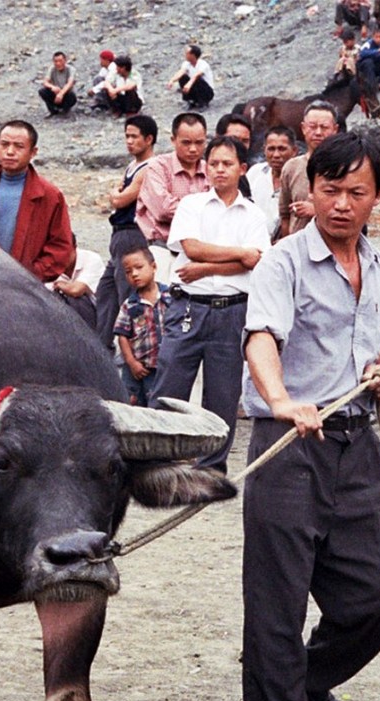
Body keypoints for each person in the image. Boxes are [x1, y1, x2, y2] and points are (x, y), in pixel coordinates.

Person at [241, 132, 380, 701]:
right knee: (276, 606)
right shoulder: (284, 262)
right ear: (307, 194)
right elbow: (261, 340)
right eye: (328, 189)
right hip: (291, 449)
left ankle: (305, 682)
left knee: (376, 599)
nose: (339, 203)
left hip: (358, 445)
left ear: (378, 198)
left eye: (355, 192)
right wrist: (283, 402)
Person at [146, 135, 270, 472]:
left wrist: (206, 267)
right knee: (170, 382)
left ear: (242, 168)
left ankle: (211, 468)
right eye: (213, 163)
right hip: (189, 306)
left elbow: (256, 260)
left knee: (223, 393)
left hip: (232, 309)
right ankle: (156, 460)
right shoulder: (192, 205)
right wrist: (239, 254)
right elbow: (192, 246)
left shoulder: (254, 215)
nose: (219, 170)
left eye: (227, 164)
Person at [0, 119, 73, 283]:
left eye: (19, 146)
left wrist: (30, 275)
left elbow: (60, 247)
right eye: (4, 144)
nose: (10, 152)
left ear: (33, 152)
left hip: (24, 287)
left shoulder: (49, 195)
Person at [95, 114, 157, 349]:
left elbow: (121, 199)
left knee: (128, 293)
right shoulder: (133, 165)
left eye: (134, 136)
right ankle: (103, 350)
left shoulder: (148, 167)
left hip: (132, 233)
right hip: (119, 234)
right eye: (127, 136)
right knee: (106, 293)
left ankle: (136, 351)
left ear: (149, 139)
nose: (129, 141)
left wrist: (114, 193)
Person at [136, 111, 209, 284]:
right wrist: (202, 212)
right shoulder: (158, 167)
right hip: (162, 247)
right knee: (160, 301)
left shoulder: (210, 169)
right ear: (173, 140)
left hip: (200, 250)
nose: (193, 149)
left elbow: (219, 209)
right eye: (186, 142)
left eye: (199, 143)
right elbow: (162, 209)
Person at [113, 247, 168, 406]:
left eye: (139, 268)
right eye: (128, 272)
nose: (134, 274)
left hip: (165, 368)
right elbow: (123, 336)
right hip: (140, 369)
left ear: (154, 267)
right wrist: (131, 362)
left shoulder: (170, 297)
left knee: (162, 407)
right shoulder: (129, 305)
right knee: (135, 406)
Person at [278, 100, 339, 238]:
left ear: (335, 130)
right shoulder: (291, 167)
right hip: (298, 247)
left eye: (324, 127)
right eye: (312, 126)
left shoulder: (345, 167)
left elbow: (357, 212)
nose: (318, 132)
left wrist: (317, 211)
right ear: (303, 128)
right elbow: (285, 215)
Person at [247, 125, 298, 239]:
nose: (276, 155)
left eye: (282, 149)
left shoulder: (301, 178)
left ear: (294, 151)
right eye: (271, 149)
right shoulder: (255, 172)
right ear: (264, 150)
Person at [48, 235, 105, 330]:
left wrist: (59, 285)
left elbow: (76, 290)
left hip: (95, 315)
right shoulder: (49, 264)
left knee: (76, 300)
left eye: (65, 253)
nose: (61, 258)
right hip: (63, 317)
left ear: (75, 247)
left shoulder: (91, 259)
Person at [215, 112, 253, 198]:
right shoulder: (205, 171)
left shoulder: (245, 173)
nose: (239, 145)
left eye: (245, 141)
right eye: (234, 139)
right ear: (217, 138)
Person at [166, 44, 214, 110]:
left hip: (206, 92)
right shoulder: (186, 64)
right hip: (194, 88)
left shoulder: (203, 64)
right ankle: (190, 100)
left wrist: (189, 84)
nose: (185, 54)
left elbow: (197, 75)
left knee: (198, 80)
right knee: (183, 77)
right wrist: (172, 80)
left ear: (193, 55)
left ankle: (203, 103)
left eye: (187, 53)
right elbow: (181, 72)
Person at [38, 51, 77, 117]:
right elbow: (45, 82)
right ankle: (52, 110)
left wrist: (61, 93)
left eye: (60, 61)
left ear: (65, 60)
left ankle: (66, 110)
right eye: (56, 61)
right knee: (42, 91)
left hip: (66, 94)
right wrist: (52, 87)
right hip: (55, 93)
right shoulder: (52, 68)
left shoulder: (71, 69)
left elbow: (70, 83)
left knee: (71, 95)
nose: (58, 63)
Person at [357, 28, 380, 92]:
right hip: (366, 67)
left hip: (377, 66)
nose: (378, 39)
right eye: (376, 37)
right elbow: (362, 53)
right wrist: (376, 51)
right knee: (368, 62)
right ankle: (372, 84)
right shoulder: (368, 44)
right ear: (373, 37)